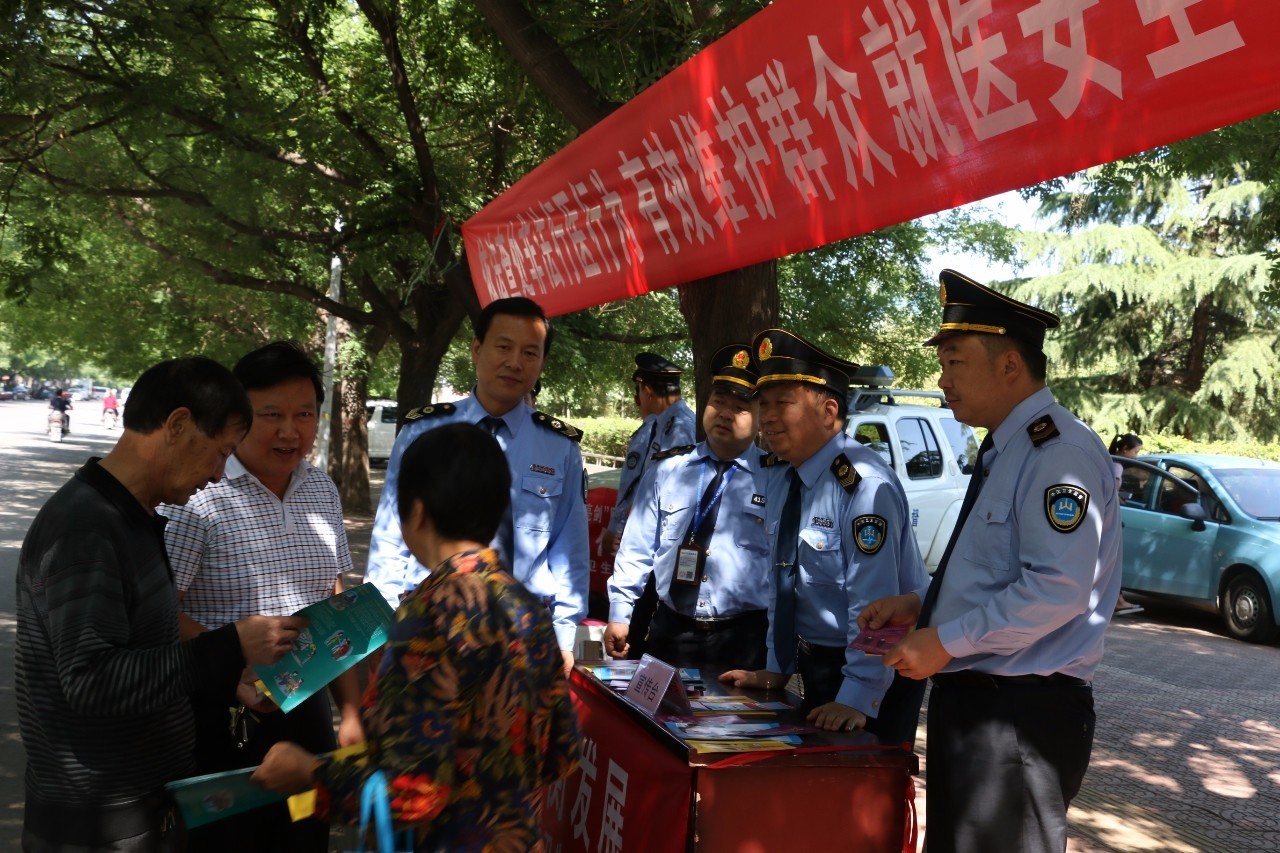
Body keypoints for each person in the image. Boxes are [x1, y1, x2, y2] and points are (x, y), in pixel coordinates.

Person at [860, 269, 1122, 853]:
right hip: (981, 701)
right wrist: (921, 605)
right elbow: (990, 572)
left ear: (1009, 366)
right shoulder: (1005, 447)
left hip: (1022, 712)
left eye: (955, 362)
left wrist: (946, 639)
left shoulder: (1059, 452)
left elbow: (1057, 588)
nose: (942, 378)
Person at [15, 357, 306, 852]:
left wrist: (226, 678)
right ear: (177, 425)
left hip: (146, 806)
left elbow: (148, 648)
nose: (217, 475)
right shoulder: (86, 529)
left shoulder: (133, 517)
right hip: (99, 822)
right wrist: (231, 646)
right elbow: (92, 682)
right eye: (219, 454)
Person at [252, 423, 578, 851]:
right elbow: (561, 751)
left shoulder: (428, 615)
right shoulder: (531, 610)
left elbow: (410, 793)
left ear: (417, 511)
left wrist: (309, 772)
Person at [160, 342, 364, 852]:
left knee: (302, 832)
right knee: (224, 841)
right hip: (218, 718)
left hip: (307, 714)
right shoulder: (198, 494)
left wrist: (353, 713)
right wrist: (232, 663)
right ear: (238, 418)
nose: (289, 431)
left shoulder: (323, 491)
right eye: (271, 415)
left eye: (304, 414)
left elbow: (337, 598)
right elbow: (160, 607)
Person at [720, 329, 929, 744]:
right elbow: (783, 581)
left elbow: (874, 601)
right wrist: (777, 669)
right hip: (817, 664)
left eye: (784, 403)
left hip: (874, 670)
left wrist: (858, 695)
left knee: (862, 795)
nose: (769, 416)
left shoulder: (863, 485)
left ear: (829, 411)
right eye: (764, 403)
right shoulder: (783, 474)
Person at [365, 297, 589, 676]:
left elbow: (570, 546)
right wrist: (383, 626)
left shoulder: (560, 447)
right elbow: (391, 534)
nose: (515, 362)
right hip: (428, 626)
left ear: (541, 363)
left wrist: (567, 636)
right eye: (503, 346)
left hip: (522, 632)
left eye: (529, 352)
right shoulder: (423, 431)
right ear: (476, 348)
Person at [605, 344, 770, 670]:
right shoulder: (668, 470)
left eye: (740, 407)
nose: (725, 413)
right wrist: (619, 614)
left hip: (744, 640)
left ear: (762, 418)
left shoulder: (776, 479)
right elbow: (636, 547)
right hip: (671, 630)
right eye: (718, 401)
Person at [599, 352, 697, 653]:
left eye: (638, 392)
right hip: (642, 538)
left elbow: (664, 492)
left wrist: (621, 525)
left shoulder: (679, 427)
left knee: (639, 631)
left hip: (661, 546)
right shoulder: (658, 424)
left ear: (648, 390)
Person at [1108, 433, 1144, 616]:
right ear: (1125, 450)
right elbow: (1111, 487)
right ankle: (1117, 600)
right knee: (1113, 560)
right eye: (1135, 451)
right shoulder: (1117, 466)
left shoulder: (1110, 460)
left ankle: (1118, 599)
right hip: (1111, 516)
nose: (1136, 456)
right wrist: (1117, 498)